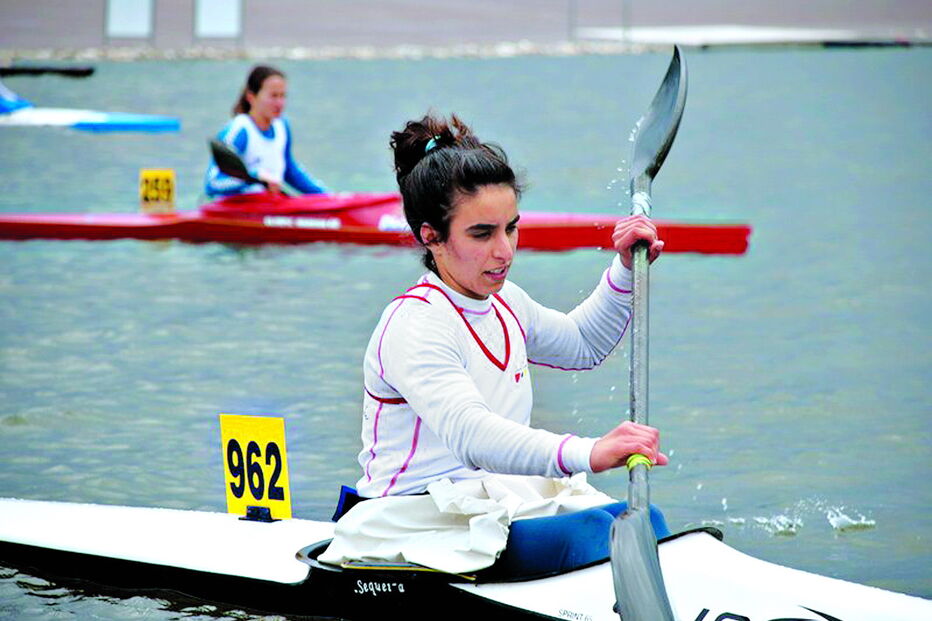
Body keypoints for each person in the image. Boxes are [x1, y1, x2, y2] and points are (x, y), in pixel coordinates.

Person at [320, 113, 668, 577]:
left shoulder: (506, 302)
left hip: (491, 504)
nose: (505, 251)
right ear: (432, 238)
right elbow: (472, 436)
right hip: (412, 522)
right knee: (595, 534)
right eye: (482, 234)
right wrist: (588, 452)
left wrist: (625, 268)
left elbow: (585, 344)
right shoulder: (415, 323)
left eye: (511, 228)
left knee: (650, 523)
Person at [204, 64, 327, 198]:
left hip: (269, 207)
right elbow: (213, 183)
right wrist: (255, 177)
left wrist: (329, 197)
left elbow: (289, 170)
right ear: (251, 97)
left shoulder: (282, 125)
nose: (280, 103)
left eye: (283, 96)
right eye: (273, 96)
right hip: (236, 213)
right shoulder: (240, 130)